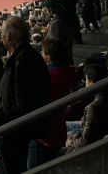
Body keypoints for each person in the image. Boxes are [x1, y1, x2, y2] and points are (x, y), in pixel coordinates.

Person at [0, 16, 51, 174]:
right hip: (16, 133)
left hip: (15, 135)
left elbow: (23, 106)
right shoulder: (25, 56)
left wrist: (0, 119)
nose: (1, 38)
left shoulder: (23, 60)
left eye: (2, 35)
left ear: (9, 36)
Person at [28, 38, 76, 168]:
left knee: (34, 169)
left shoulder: (49, 78)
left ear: (48, 58)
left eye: (43, 53)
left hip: (44, 137)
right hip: (58, 131)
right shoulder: (69, 71)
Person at [65, 64, 108, 151]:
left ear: (91, 82)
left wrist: (70, 142)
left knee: (61, 135)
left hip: (93, 144)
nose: (85, 82)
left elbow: (85, 140)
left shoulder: (93, 107)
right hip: (95, 134)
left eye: (86, 79)